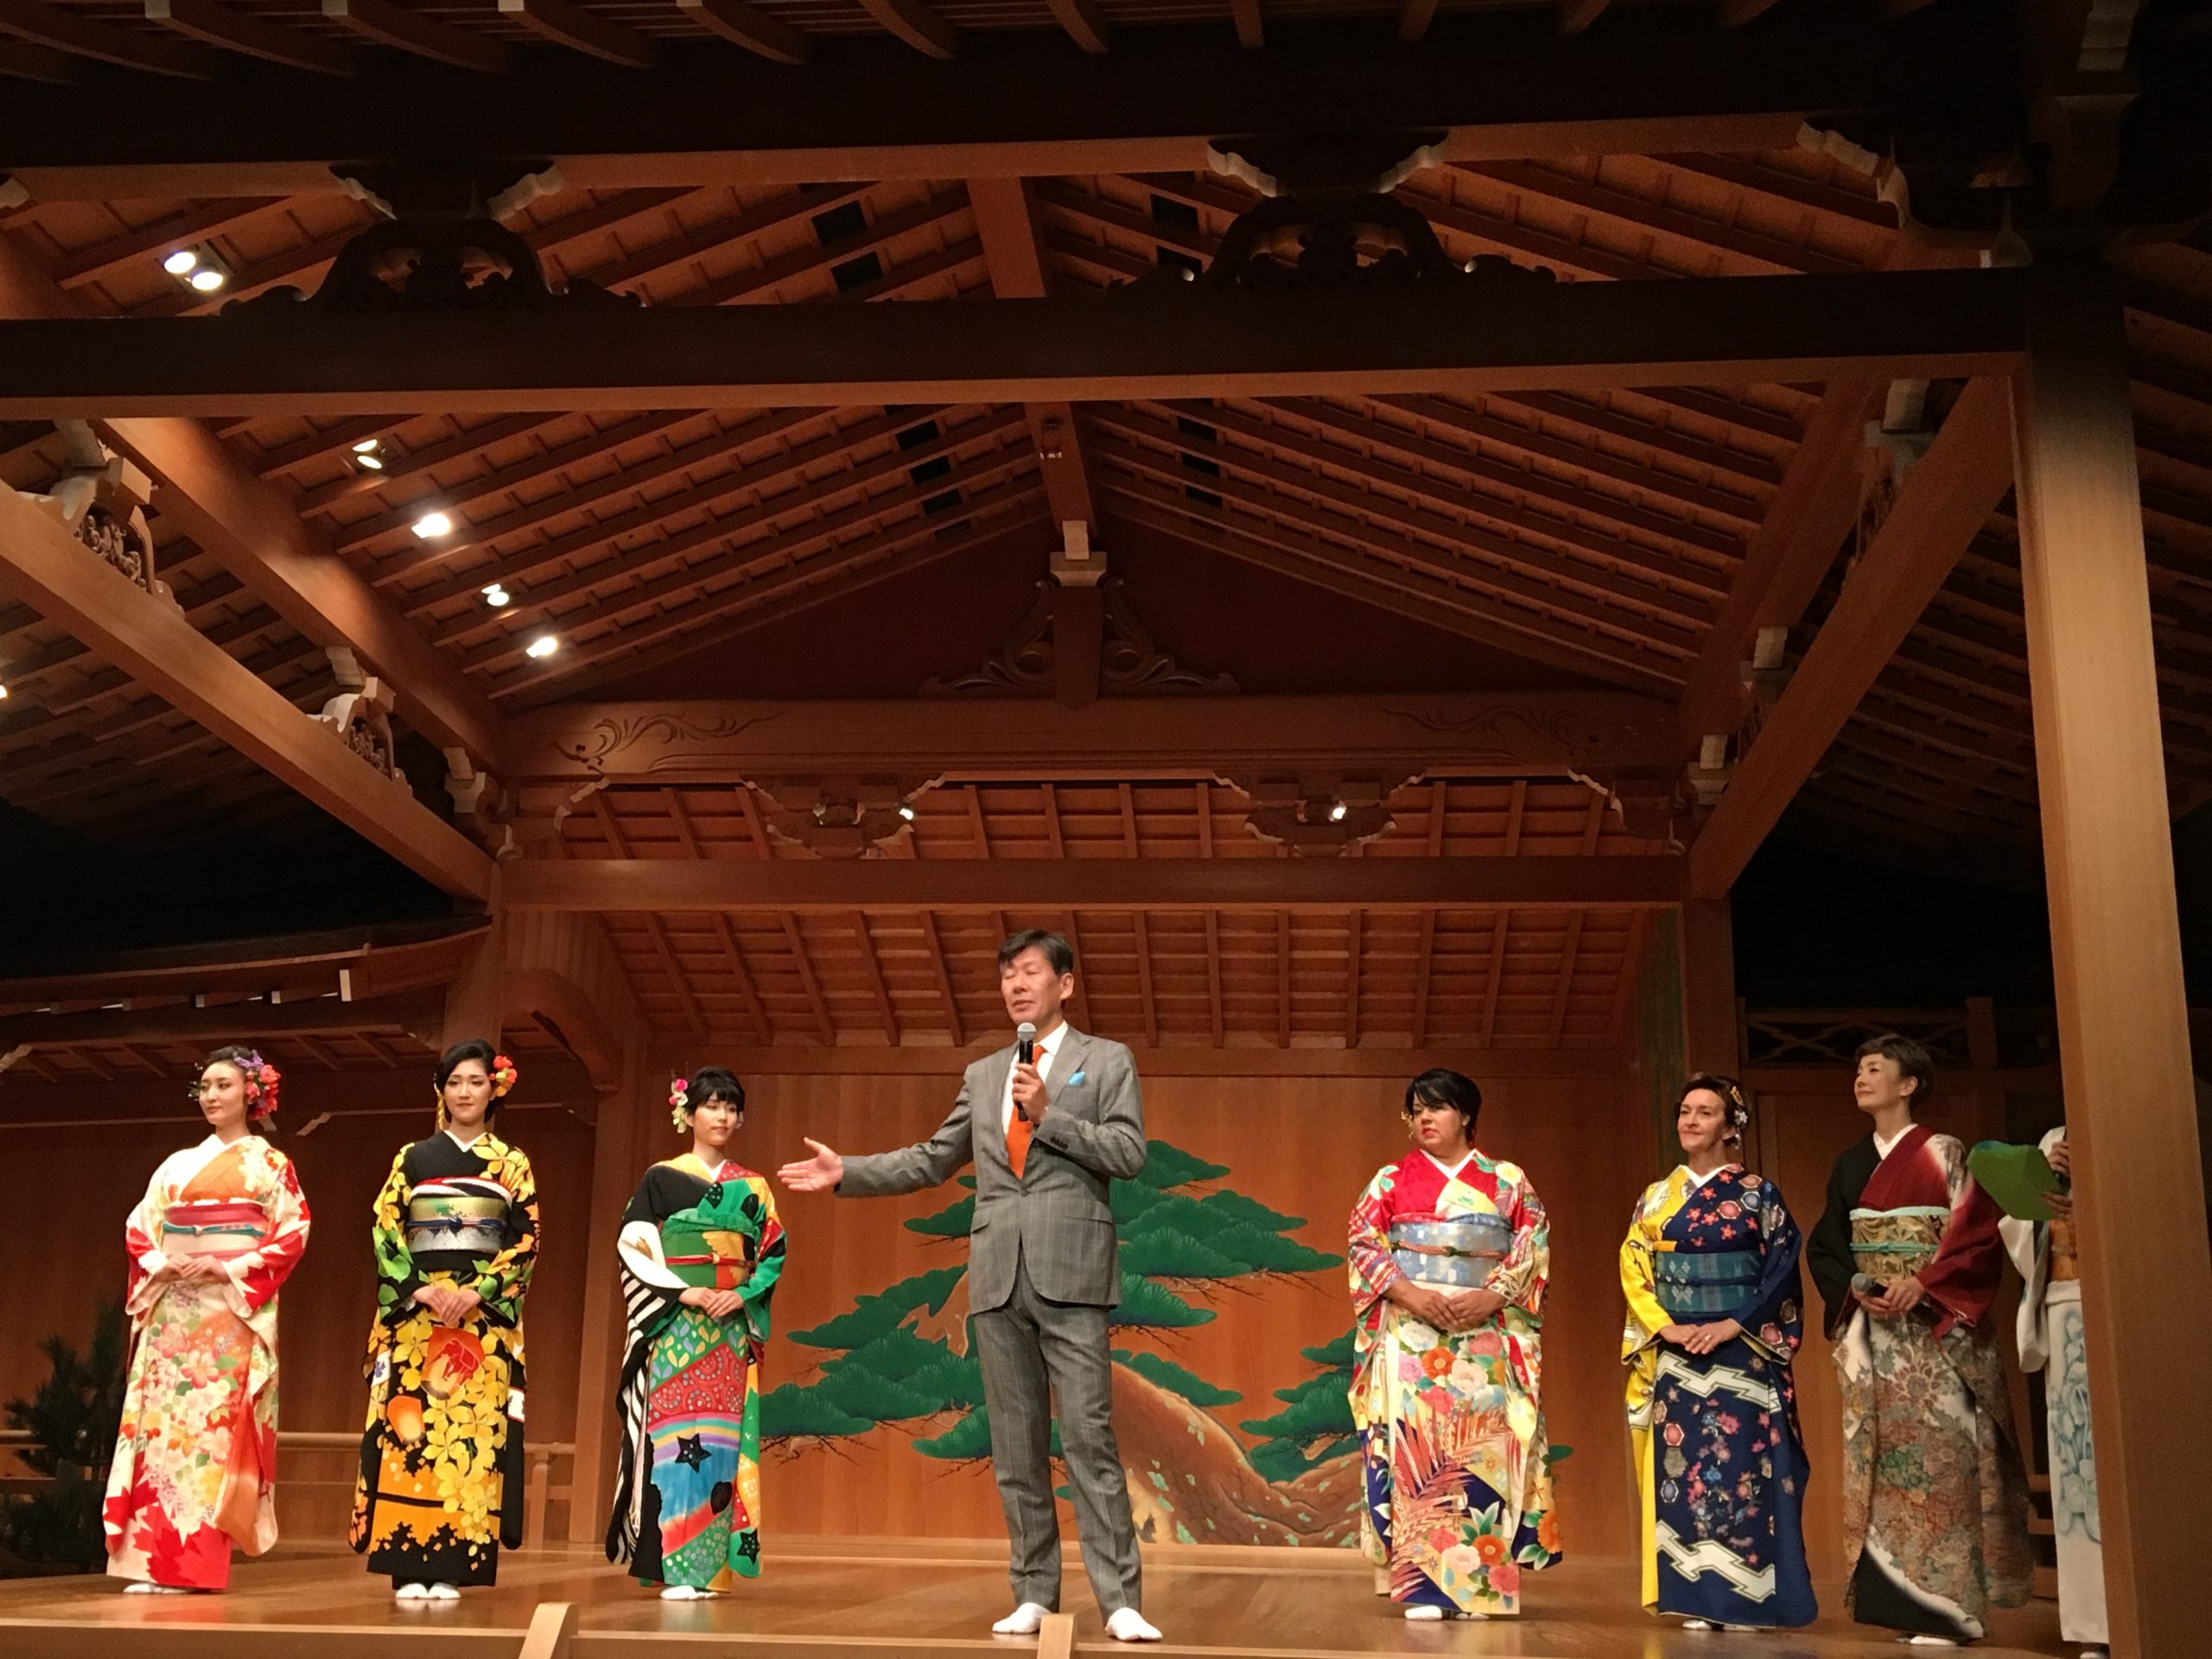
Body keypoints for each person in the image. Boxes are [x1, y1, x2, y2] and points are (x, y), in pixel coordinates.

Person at [777, 931, 1160, 1644]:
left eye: (1031, 972)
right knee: (1015, 1445)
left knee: (1089, 1438)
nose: (1017, 986)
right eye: (1008, 975)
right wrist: (848, 1171)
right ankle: (1034, 1592)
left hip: (1073, 1271)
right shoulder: (985, 1073)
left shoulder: (1107, 1060)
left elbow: (1128, 1152)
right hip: (995, 1274)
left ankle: (1120, 1602)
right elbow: (932, 1158)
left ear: (1065, 984)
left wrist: (1050, 1114)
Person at [1805, 1035, 2031, 1646]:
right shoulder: (1850, 1164)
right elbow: (1827, 1244)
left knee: (1944, 1466)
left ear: (1909, 1085)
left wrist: (1924, 1283)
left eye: (1875, 1069)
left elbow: (1975, 1236)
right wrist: (1858, 1284)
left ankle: (1952, 1609)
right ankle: (1903, 1607)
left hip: (1933, 1335)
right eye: (1858, 1069)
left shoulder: (1944, 1152)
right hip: (1875, 1334)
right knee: (1882, 1468)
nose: (1861, 1077)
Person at [1346, 1068, 1560, 1620]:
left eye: (1437, 1107)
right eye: (1417, 1110)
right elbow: (1364, 1243)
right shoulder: (1390, 1180)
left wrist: (1494, 1295)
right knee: (1419, 1453)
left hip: (1484, 1332)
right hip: (1413, 1335)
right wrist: (1409, 1294)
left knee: (1482, 1450)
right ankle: (1423, 1588)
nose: (1425, 1118)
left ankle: (1479, 1588)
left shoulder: (1507, 1180)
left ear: (1465, 1115)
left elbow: (1532, 1242)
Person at [104, 1047, 310, 1592]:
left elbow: (292, 1233)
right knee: (160, 1434)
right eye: (206, 1087)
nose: (212, 1096)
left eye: (224, 1085)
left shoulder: (271, 1165)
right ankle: (150, 1563)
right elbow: (140, 1226)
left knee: (211, 1438)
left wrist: (228, 1266)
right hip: (173, 1310)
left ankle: (193, 1567)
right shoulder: (175, 1165)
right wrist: (160, 1262)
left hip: (226, 1315)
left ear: (251, 1093)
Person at [1619, 1074, 1816, 1632]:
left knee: (1743, 1469)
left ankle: (1748, 1597)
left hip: (1742, 1348)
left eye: (1705, 1112)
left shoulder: (1758, 1194)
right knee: (1680, 1470)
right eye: (1685, 1111)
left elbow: (1781, 1269)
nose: (1690, 1121)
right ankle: (1696, 1596)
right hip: (1677, 1348)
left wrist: (1734, 1323)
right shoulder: (1655, 1197)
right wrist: (1666, 1327)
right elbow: (1634, 1265)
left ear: (1731, 1127)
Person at [349, 1039, 539, 1601]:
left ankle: (454, 1563)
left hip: (481, 1322)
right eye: (454, 1082)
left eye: (476, 1081)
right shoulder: (412, 1157)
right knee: (411, 1429)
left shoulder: (512, 1162)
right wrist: (418, 1288)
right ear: (441, 1090)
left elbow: (525, 1239)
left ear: (493, 1089)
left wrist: (479, 1291)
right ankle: (407, 1560)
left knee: (472, 1437)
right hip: (418, 1317)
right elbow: (386, 1226)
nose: (464, 1092)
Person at [607, 1066, 786, 1599]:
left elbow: (772, 1251)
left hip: (728, 1329)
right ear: (687, 1113)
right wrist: (682, 1292)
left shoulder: (754, 1186)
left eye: (731, 1108)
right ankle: (672, 1563)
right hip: (677, 1322)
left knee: (721, 1443)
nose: (722, 1117)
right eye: (711, 1105)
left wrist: (744, 1294)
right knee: (671, 1438)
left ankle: (709, 1569)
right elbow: (633, 1243)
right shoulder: (661, 1177)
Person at [1999, 1128, 2107, 1659]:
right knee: (2077, 1473)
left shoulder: (2138, 1133)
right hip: (2065, 1305)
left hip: (2118, 1302)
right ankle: (2093, 1627)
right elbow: (2019, 1231)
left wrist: (2097, 1210)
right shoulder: (2057, 1139)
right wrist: (2042, 1194)